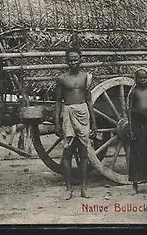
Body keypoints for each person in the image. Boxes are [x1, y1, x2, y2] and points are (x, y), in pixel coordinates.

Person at [55, 47, 97, 200]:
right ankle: (68, 188)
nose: (73, 62)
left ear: (81, 59)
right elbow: (58, 101)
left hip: (83, 112)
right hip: (68, 113)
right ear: (66, 61)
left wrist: (94, 122)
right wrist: (57, 122)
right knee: (67, 152)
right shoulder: (61, 78)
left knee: (83, 152)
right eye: (70, 60)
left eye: (75, 59)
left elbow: (89, 100)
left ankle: (84, 187)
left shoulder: (86, 77)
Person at [127, 68, 147, 194]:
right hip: (137, 124)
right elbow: (129, 111)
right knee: (136, 153)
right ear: (136, 79)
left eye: (144, 77)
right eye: (140, 78)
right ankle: (135, 184)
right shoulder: (134, 93)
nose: (142, 80)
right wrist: (131, 129)